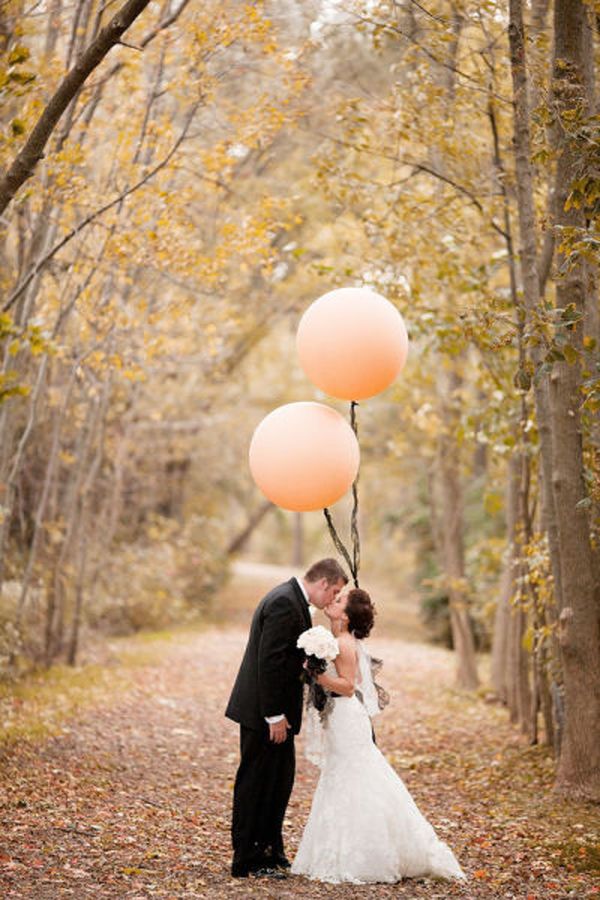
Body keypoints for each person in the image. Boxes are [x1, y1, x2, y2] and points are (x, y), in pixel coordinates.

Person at [291, 587, 467, 884]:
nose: (332, 602)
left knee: (353, 777)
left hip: (346, 716)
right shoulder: (342, 641)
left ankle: (364, 855)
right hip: (343, 718)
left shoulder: (344, 643)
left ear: (345, 616)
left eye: (338, 601)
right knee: (347, 775)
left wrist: (315, 673)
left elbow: (347, 686)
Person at [225, 558, 348, 879]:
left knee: (279, 782)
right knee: (258, 782)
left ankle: (270, 850)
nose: (332, 599)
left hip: (274, 712)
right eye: (334, 591)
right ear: (322, 583)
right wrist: (274, 715)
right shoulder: (283, 602)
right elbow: (269, 663)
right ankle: (248, 858)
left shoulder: (292, 599)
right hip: (264, 713)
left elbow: (286, 659)